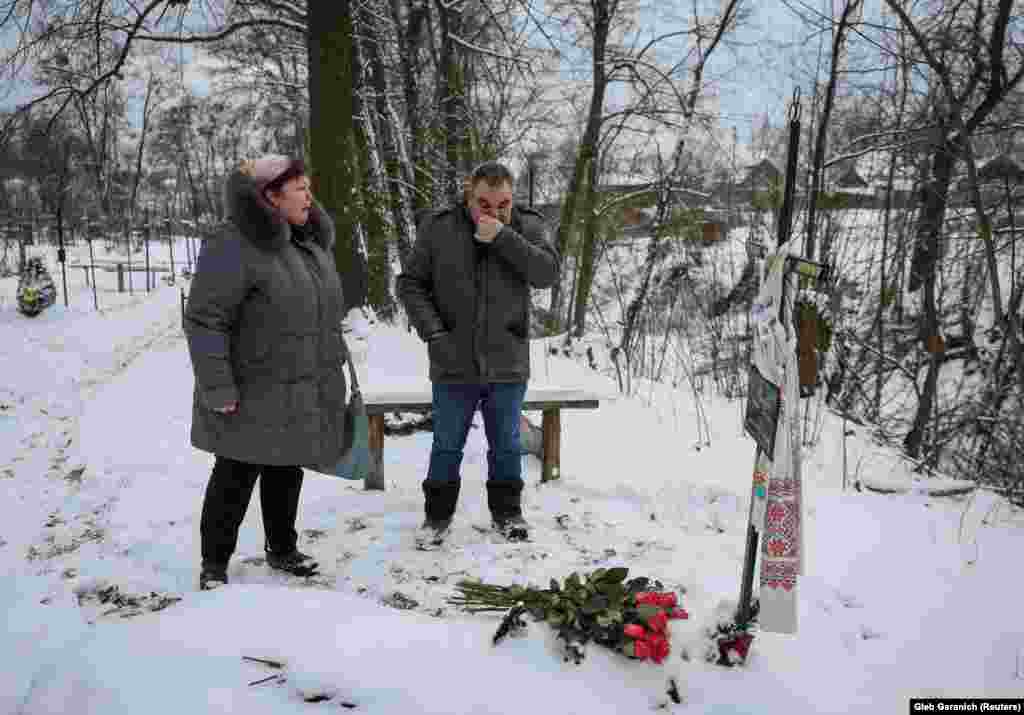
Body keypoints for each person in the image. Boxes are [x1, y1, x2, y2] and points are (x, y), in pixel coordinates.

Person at [184, 155, 349, 590]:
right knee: (235, 475)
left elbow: (322, 313)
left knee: (287, 468)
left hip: (300, 385)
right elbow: (205, 319)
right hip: (250, 388)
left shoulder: (306, 243)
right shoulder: (233, 243)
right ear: (271, 197)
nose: (310, 197)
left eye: (309, 188)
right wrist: (217, 385)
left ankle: (283, 548)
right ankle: (214, 563)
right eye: (300, 189)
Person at [397, 161, 560, 546]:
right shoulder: (439, 228)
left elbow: (547, 273)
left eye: (503, 204)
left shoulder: (527, 225)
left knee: (506, 444)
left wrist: (503, 236)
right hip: (453, 360)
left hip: (508, 359)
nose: (495, 212)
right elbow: (410, 284)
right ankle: (436, 518)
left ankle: (508, 514)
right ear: (469, 195)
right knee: (446, 445)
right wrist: (434, 333)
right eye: (484, 204)